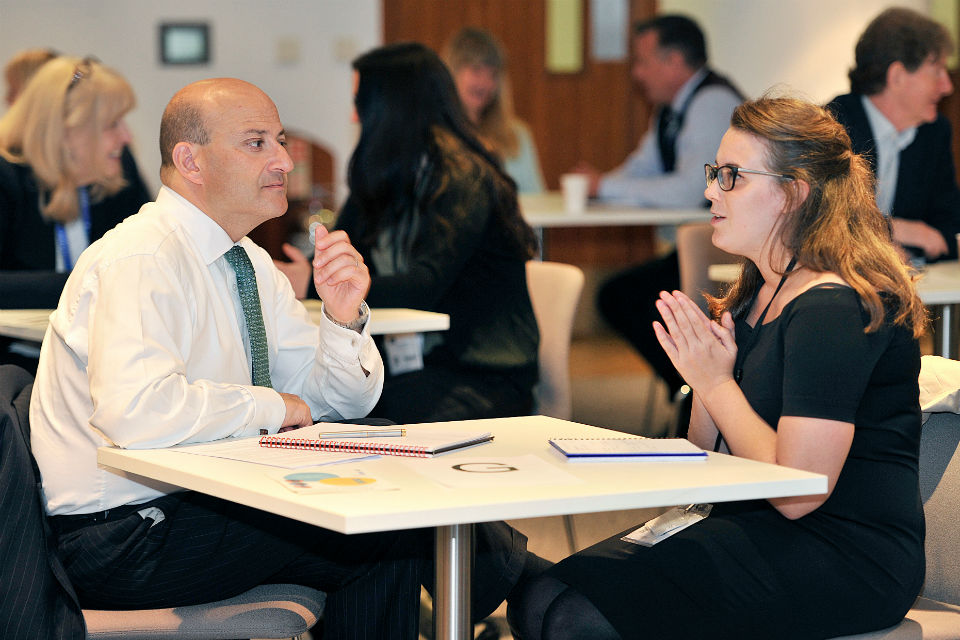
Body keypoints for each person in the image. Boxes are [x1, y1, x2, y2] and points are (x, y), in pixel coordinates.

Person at [29, 77, 530, 639]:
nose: (285, 161)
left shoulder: (247, 261)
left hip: (197, 499)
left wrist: (341, 320)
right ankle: (525, 589)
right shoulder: (142, 257)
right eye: (256, 143)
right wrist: (268, 408)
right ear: (190, 162)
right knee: (383, 524)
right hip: (119, 535)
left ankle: (514, 586)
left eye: (281, 140)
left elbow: (332, 402)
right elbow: (137, 414)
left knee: (380, 498)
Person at [508, 97, 927, 639]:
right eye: (714, 174)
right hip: (752, 521)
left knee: (573, 619)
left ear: (793, 193)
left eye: (731, 177)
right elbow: (710, 458)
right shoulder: (761, 287)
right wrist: (706, 379)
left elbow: (802, 492)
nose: (710, 191)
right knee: (539, 600)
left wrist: (714, 380)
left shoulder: (832, 307)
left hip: (845, 553)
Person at [278, 43, 540, 424]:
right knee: (326, 399)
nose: (355, 114)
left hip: (483, 374)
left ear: (391, 108)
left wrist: (313, 283)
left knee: (348, 413)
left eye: (360, 101)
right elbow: (345, 247)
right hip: (420, 365)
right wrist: (313, 269)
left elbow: (424, 285)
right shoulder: (387, 172)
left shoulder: (462, 179)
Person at [588, 15, 744, 406]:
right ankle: (686, 383)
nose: (638, 74)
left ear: (675, 62)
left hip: (728, 252)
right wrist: (601, 185)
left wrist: (604, 187)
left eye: (643, 62)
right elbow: (642, 167)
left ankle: (689, 386)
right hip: (702, 244)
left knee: (621, 296)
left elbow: (687, 191)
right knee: (625, 295)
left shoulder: (712, 102)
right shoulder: (670, 109)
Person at [0, 55, 150, 310]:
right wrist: (92, 282)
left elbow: (150, 261)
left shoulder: (120, 167)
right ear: (65, 131)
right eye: (112, 124)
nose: (126, 136)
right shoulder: (6, 179)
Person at [827, 7, 960, 265]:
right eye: (937, 70)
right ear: (897, 76)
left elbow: (948, 229)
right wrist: (899, 230)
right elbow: (822, 222)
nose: (947, 85)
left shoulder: (934, 133)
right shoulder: (831, 126)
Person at [443, 27, 545, 193]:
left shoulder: (516, 135)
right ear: (452, 72)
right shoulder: (435, 134)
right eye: (476, 70)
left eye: (493, 75)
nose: (485, 83)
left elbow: (537, 201)